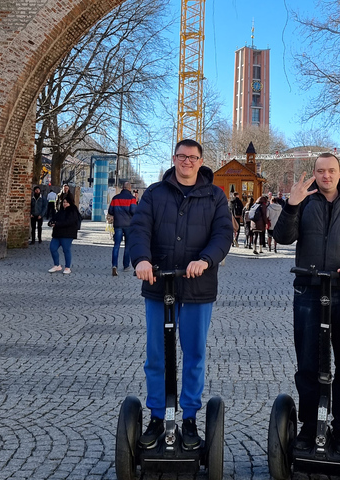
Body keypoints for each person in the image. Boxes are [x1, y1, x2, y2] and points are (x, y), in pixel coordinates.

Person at [273, 152, 340, 455]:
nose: (326, 176)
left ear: (339, 172)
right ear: (315, 173)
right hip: (309, 291)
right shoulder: (304, 202)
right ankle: (310, 427)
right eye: (320, 171)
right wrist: (291, 205)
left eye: (331, 171)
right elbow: (282, 237)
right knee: (308, 364)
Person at [130, 139, 233, 451]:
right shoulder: (154, 193)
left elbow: (223, 234)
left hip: (198, 287)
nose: (187, 161)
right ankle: (157, 416)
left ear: (201, 161)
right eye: (182, 156)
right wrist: (142, 260)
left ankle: (189, 417)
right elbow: (139, 229)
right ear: (173, 158)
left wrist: (206, 260)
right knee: (156, 355)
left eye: (193, 157)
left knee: (194, 354)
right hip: (159, 283)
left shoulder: (215, 196)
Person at [107, 181, 137, 276]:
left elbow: (110, 211)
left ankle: (114, 265)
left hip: (118, 224)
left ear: (122, 188)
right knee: (127, 246)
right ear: (129, 188)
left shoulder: (115, 198)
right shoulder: (132, 199)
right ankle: (126, 265)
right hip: (129, 225)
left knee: (116, 245)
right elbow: (134, 211)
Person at [47, 193, 81, 274]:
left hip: (67, 234)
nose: (65, 204)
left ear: (70, 202)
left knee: (66, 250)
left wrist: (57, 224)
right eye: (64, 202)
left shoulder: (73, 210)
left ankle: (67, 267)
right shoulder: (60, 211)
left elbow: (69, 222)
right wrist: (50, 223)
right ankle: (57, 265)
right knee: (53, 248)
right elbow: (54, 218)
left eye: (66, 202)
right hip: (57, 234)